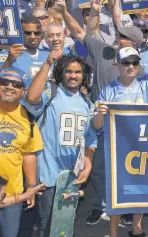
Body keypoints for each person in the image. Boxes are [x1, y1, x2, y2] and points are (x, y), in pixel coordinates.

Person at [92, 39, 148, 237]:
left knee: (140, 189)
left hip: (142, 149)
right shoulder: (108, 91)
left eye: (134, 63)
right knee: (117, 192)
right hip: (116, 151)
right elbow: (96, 126)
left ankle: (136, 228)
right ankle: (113, 232)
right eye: (126, 62)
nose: (130, 67)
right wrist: (99, 114)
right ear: (118, 65)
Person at [25, 53, 97, 237]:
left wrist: (87, 164)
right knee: (48, 225)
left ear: (84, 75)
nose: (73, 76)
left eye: (78, 72)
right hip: (48, 176)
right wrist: (48, 62)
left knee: (65, 226)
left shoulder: (87, 103)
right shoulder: (51, 91)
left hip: (72, 177)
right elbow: (32, 98)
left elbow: (90, 140)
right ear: (61, 73)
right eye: (69, 71)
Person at [0, 68, 43, 237]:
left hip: (13, 192)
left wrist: (31, 187)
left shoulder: (29, 118)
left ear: (23, 91)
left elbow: (29, 154)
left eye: (16, 84)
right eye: (4, 82)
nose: (9, 86)